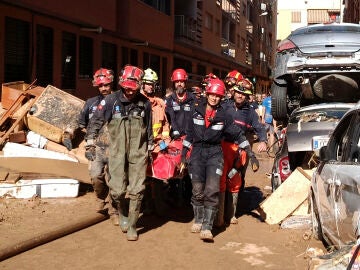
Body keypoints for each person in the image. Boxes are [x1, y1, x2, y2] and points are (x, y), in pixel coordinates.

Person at [85, 65, 153, 241]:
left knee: (137, 189)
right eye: (127, 89)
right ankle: (121, 212)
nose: (130, 93)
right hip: (116, 152)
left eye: (133, 89)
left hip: (138, 152)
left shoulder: (145, 103)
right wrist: (90, 142)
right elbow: (95, 122)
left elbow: (149, 129)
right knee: (117, 189)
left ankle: (132, 225)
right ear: (122, 84)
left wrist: (150, 148)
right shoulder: (110, 101)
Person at [180, 77, 254, 242]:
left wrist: (249, 151)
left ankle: (207, 227)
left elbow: (237, 133)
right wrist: (184, 153)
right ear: (207, 94)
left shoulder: (224, 115)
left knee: (212, 190)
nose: (214, 98)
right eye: (212, 94)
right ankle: (198, 220)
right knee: (197, 190)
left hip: (215, 153)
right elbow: (189, 134)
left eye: (218, 96)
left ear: (221, 97)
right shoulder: (196, 110)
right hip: (197, 153)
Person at [215, 80, 266, 227]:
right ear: (233, 92)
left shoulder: (250, 111)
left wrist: (263, 140)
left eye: (244, 94)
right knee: (221, 180)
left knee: (236, 181)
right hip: (223, 148)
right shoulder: (223, 106)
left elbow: (259, 127)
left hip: (239, 151)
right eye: (238, 92)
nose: (240, 96)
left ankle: (232, 214)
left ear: (247, 96)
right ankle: (219, 217)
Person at [79, 68, 119, 225]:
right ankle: (101, 198)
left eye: (107, 85)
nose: (104, 88)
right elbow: (81, 124)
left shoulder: (119, 101)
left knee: (115, 180)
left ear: (111, 84)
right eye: (101, 86)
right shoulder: (90, 104)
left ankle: (114, 210)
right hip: (97, 147)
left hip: (115, 147)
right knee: (96, 177)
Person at [141, 68, 171, 216]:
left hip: (158, 147)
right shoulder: (138, 102)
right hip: (141, 147)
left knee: (158, 178)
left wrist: (165, 141)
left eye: (152, 84)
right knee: (143, 178)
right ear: (142, 84)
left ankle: (159, 206)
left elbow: (165, 125)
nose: (150, 87)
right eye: (147, 83)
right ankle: (147, 205)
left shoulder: (160, 103)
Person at [165, 68, 195, 139]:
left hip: (190, 136)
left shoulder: (192, 99)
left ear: (185, 83)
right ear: (174, 83)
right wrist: (175, 131)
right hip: (175, 136)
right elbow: (170, 119)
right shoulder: (169, 100)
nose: (179, 84)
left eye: (181, 82)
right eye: (177, 82)